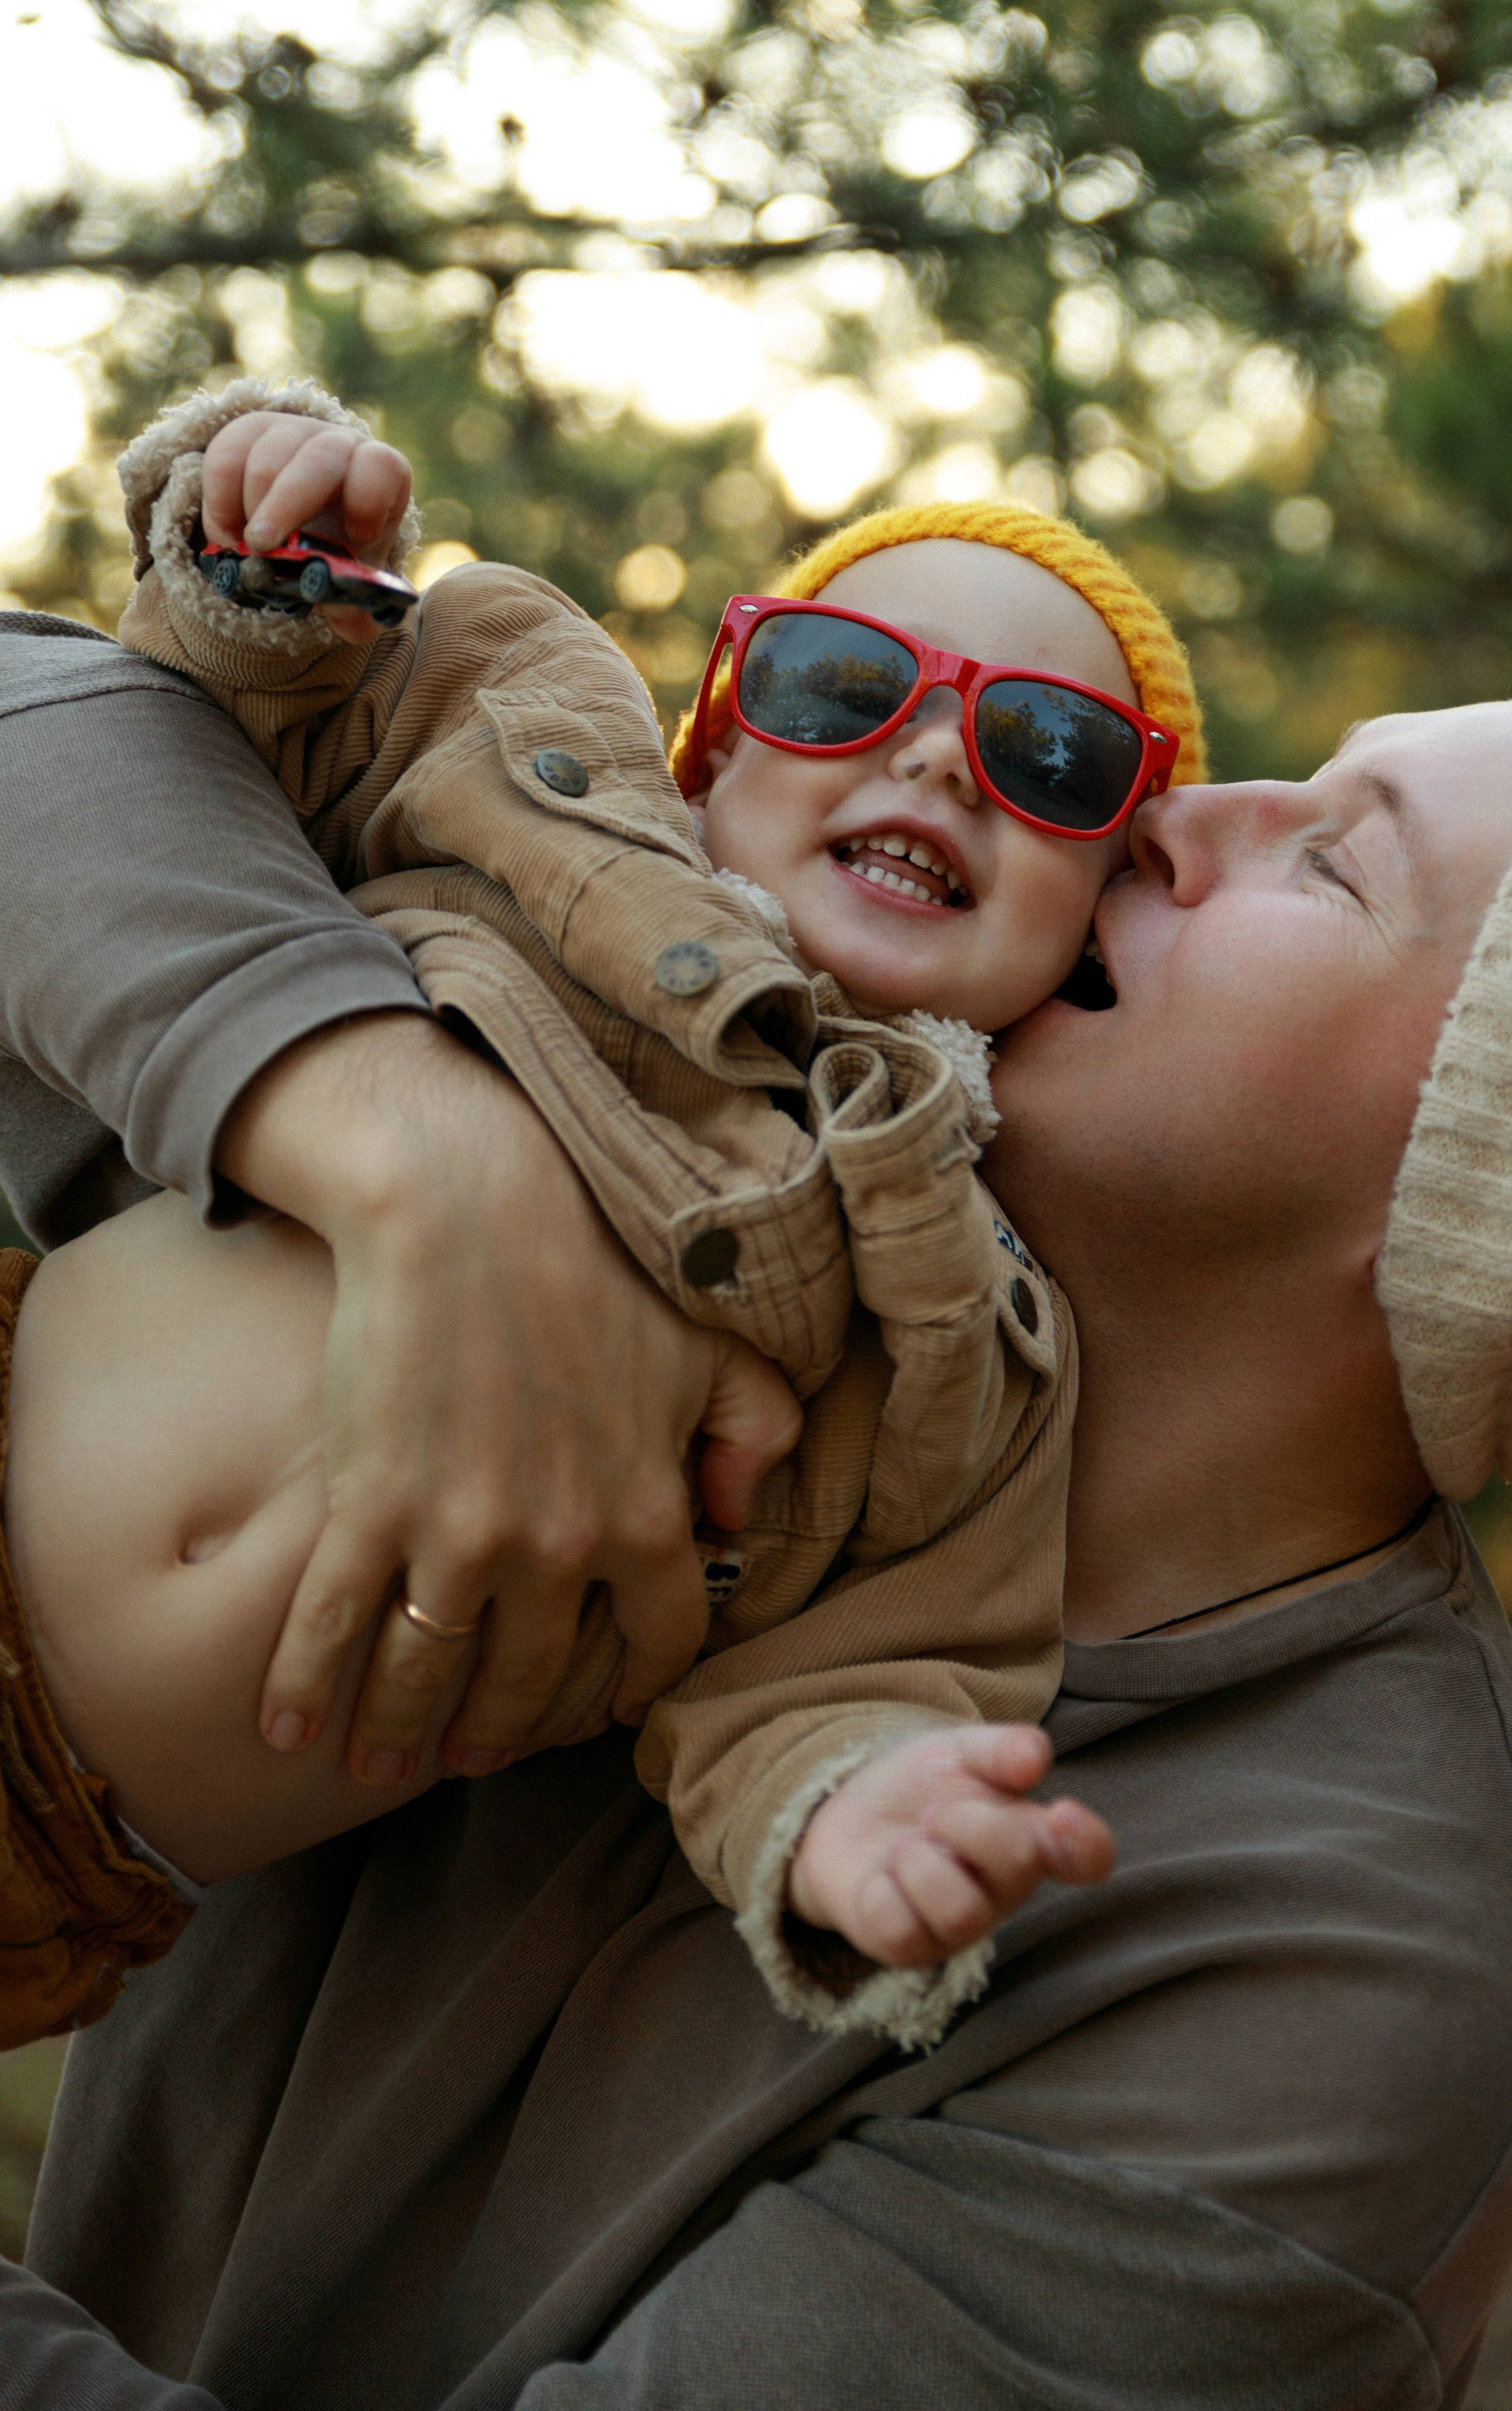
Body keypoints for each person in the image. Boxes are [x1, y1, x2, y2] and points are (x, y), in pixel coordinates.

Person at [4, 578, 1512, 2407]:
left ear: (1488, 1213)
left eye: (1333, 863)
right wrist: (395, 1141)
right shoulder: (739, 1151)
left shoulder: (1336, 1992)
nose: (1173, 814)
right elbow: (63, 719)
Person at [0, 377, 1209, 2047]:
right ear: (715, 740)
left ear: (1098, 923)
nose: (937, 754)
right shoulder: (536, 772)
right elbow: (216, 733)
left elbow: (879, 1665)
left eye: (1049, 756)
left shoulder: (971, 1338)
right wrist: (273, 555)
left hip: (66, 1853)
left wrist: (852, 1817)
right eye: (842, 683)